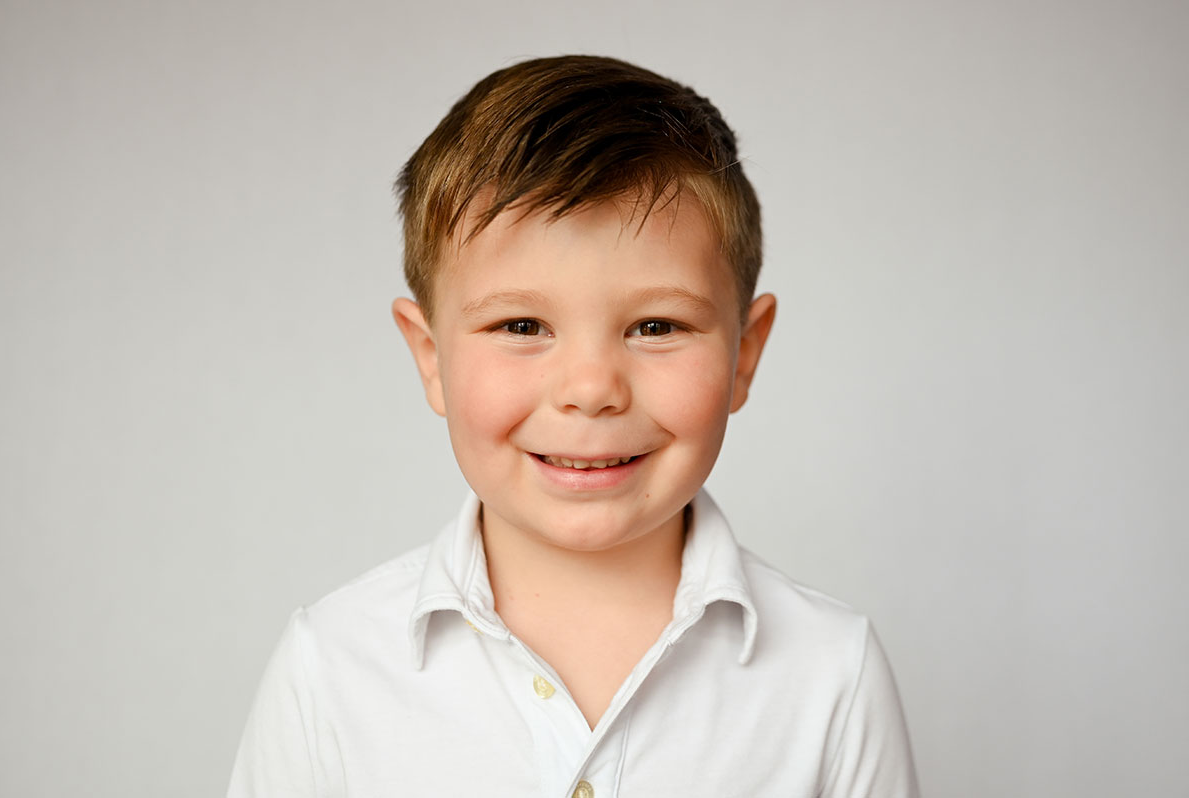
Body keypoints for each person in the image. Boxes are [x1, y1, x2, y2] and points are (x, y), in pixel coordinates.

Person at [227, 55, 920, 797]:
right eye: (522, 324)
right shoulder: (333, 664)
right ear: (430, 357)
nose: (591, 390)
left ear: (745, 354)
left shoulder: (829, 673)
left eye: (656, 326)